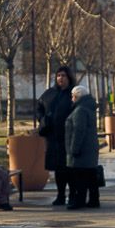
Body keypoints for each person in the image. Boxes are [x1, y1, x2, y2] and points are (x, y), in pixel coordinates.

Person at [37, 66, 75, 206]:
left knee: (70, 169)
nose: (61, 78)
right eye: (58, 75)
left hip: (68, 138)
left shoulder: (73, 93)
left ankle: (72, 195)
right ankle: (60, 195)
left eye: (63, 75)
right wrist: (43, 120)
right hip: (53, 138)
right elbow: (39, 108)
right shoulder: (50, 94)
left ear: (69, 77)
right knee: (59, 170)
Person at [64, 84, 100, 210]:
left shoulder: (80, 110)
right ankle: (94, 200)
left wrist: (74, 149)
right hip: (90, 148)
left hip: (82, 150)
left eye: (73, 96)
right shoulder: (88, 107)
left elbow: (79, 130)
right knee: (90, 175)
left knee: (80, 177)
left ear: (77, 97)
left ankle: (79, 201)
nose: (72, 99)